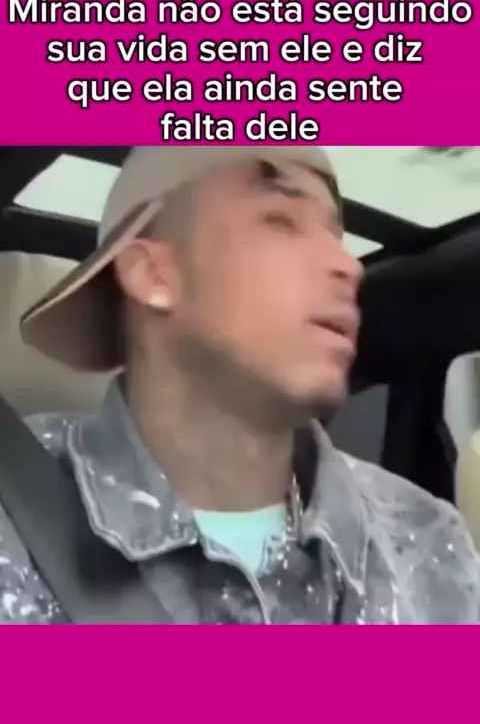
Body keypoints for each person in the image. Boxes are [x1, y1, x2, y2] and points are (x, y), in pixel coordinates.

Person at [0, 146, 478, 624]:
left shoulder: (425, 540)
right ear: (153, 274)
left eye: (336, 235)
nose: (347, 266)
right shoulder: (15, 526)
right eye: (281, 221)